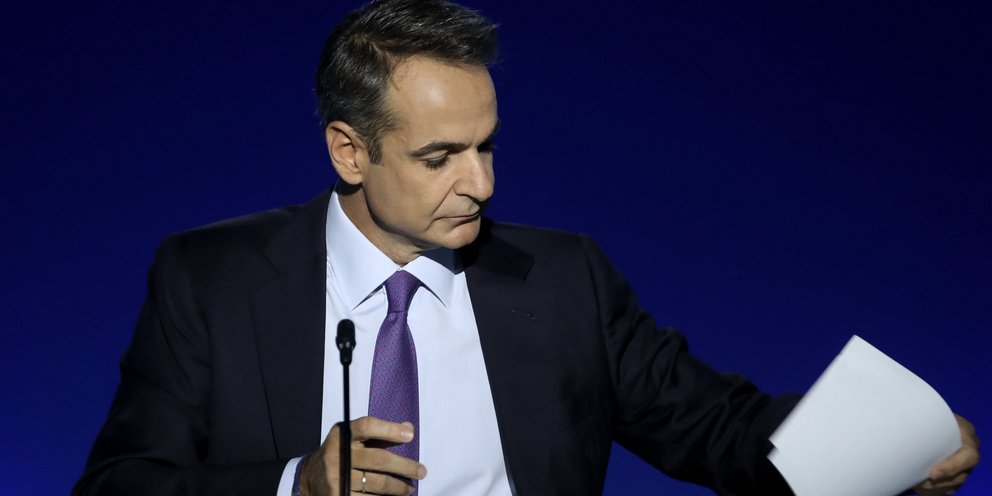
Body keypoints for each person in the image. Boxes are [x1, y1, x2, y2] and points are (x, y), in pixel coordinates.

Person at [74, 1, 979, 495]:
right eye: (441, 157)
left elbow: (715, 427)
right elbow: (121, 485)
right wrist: (294, 486)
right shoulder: (211, 279)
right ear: (349, 151)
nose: (481, 184)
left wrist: (884, 440)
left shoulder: (564, 280)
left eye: (488, 146)